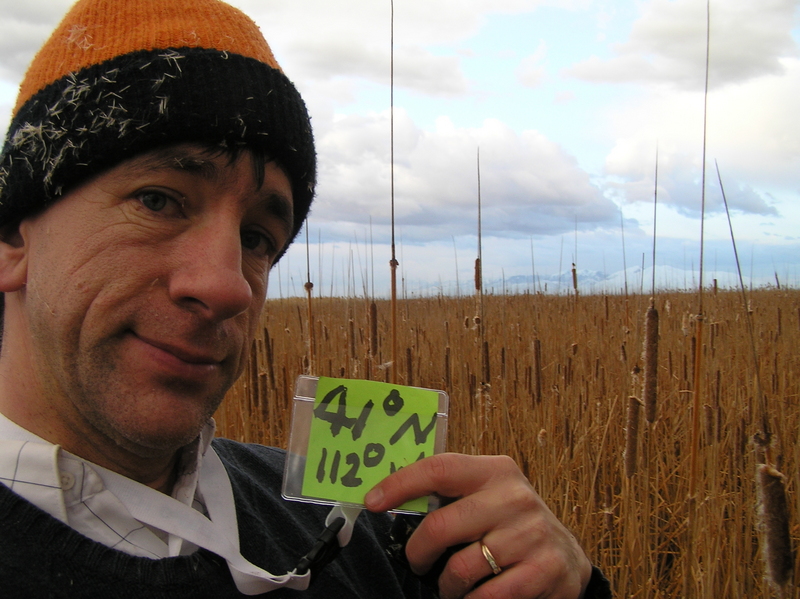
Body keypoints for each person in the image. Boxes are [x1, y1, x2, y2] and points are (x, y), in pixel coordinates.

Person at [0, 1, 611, 597]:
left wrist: (558, 584)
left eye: (258, 237)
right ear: (12, 241)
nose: (228, 286)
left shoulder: (359, 524)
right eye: (158, 200)